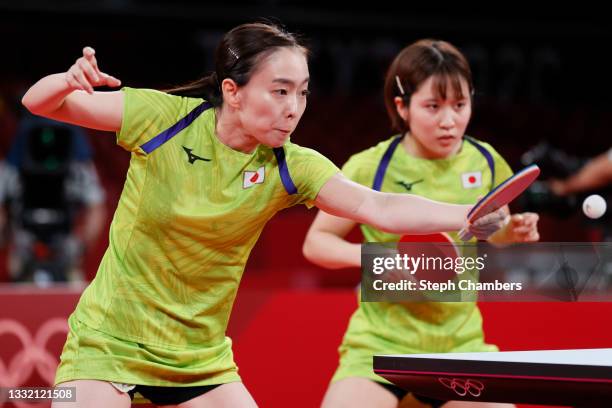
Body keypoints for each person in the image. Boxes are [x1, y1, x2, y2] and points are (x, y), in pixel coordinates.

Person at [22, 24, 506, 408]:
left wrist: (468, 211)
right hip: (110, 343)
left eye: (302, 93)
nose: (293, 108)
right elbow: (39, 102)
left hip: (199, 360)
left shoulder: (291, 164)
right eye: (280, 91)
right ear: (233, 91)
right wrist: (66, 81)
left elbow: (376, 205)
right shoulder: (164, 119)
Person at [303, 39, 539, 408]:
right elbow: (317, 243)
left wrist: (515, 231)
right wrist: (375, 261)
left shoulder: (486, 161)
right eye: (433, 106)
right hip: (380, 346)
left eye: (460, 105)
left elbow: (497, 234)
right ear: (403, 106)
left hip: (460, 344)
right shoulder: (369, 166)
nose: (449, 121)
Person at [0, 113, 105, 283]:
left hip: (59, 245)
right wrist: (82, 249)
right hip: (28, 243)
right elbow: (97, 208)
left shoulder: (29, 125)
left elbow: (96, 208)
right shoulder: (29, 132)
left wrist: (78, 249)